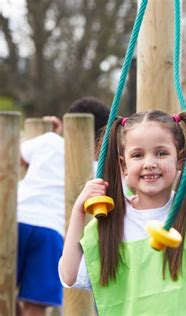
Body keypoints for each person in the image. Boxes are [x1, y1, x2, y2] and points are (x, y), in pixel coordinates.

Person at [59, 110, 186, 315]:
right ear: (124, 165)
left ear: (180, 159)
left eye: (161, 153)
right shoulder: (110, 220)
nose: (149, 163)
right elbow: (69, 275)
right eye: (138, 155)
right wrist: (79, 209)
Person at [16, 97, 109, 316]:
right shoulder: (95, 168)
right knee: (35, 304)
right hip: (50, 231)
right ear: (101, 139)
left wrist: (55, 134)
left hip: (17, 219)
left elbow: (18, 157)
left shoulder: (48, 141)